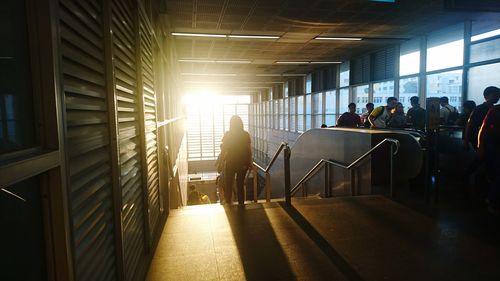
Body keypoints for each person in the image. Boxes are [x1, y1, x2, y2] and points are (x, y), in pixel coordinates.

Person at [220, 115, 252, 205]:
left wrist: (220, 162)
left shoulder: (228, 134)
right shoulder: (245, 135)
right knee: (240, 184)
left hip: (230, 162)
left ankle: (228, 203)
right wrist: (249, 163)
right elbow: (249, 150)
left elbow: (224, 150)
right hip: (243, 163)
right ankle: (241, 204)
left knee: (229, 184)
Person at [477, 105, 500, 214]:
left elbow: (483, 128)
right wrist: (480, 145)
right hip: (495, 147)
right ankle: (492, 201)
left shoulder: (494, 109)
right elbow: (484, 127)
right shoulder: (495, 110)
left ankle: (491, 199)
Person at [463, 86, 500, 151]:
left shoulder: (493, 109)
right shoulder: (480, 109)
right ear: (488, 95)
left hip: (486, 140)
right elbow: (469, 125)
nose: (498, 97)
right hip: (481, 140)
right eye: (496, 94)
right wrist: (466, 142)